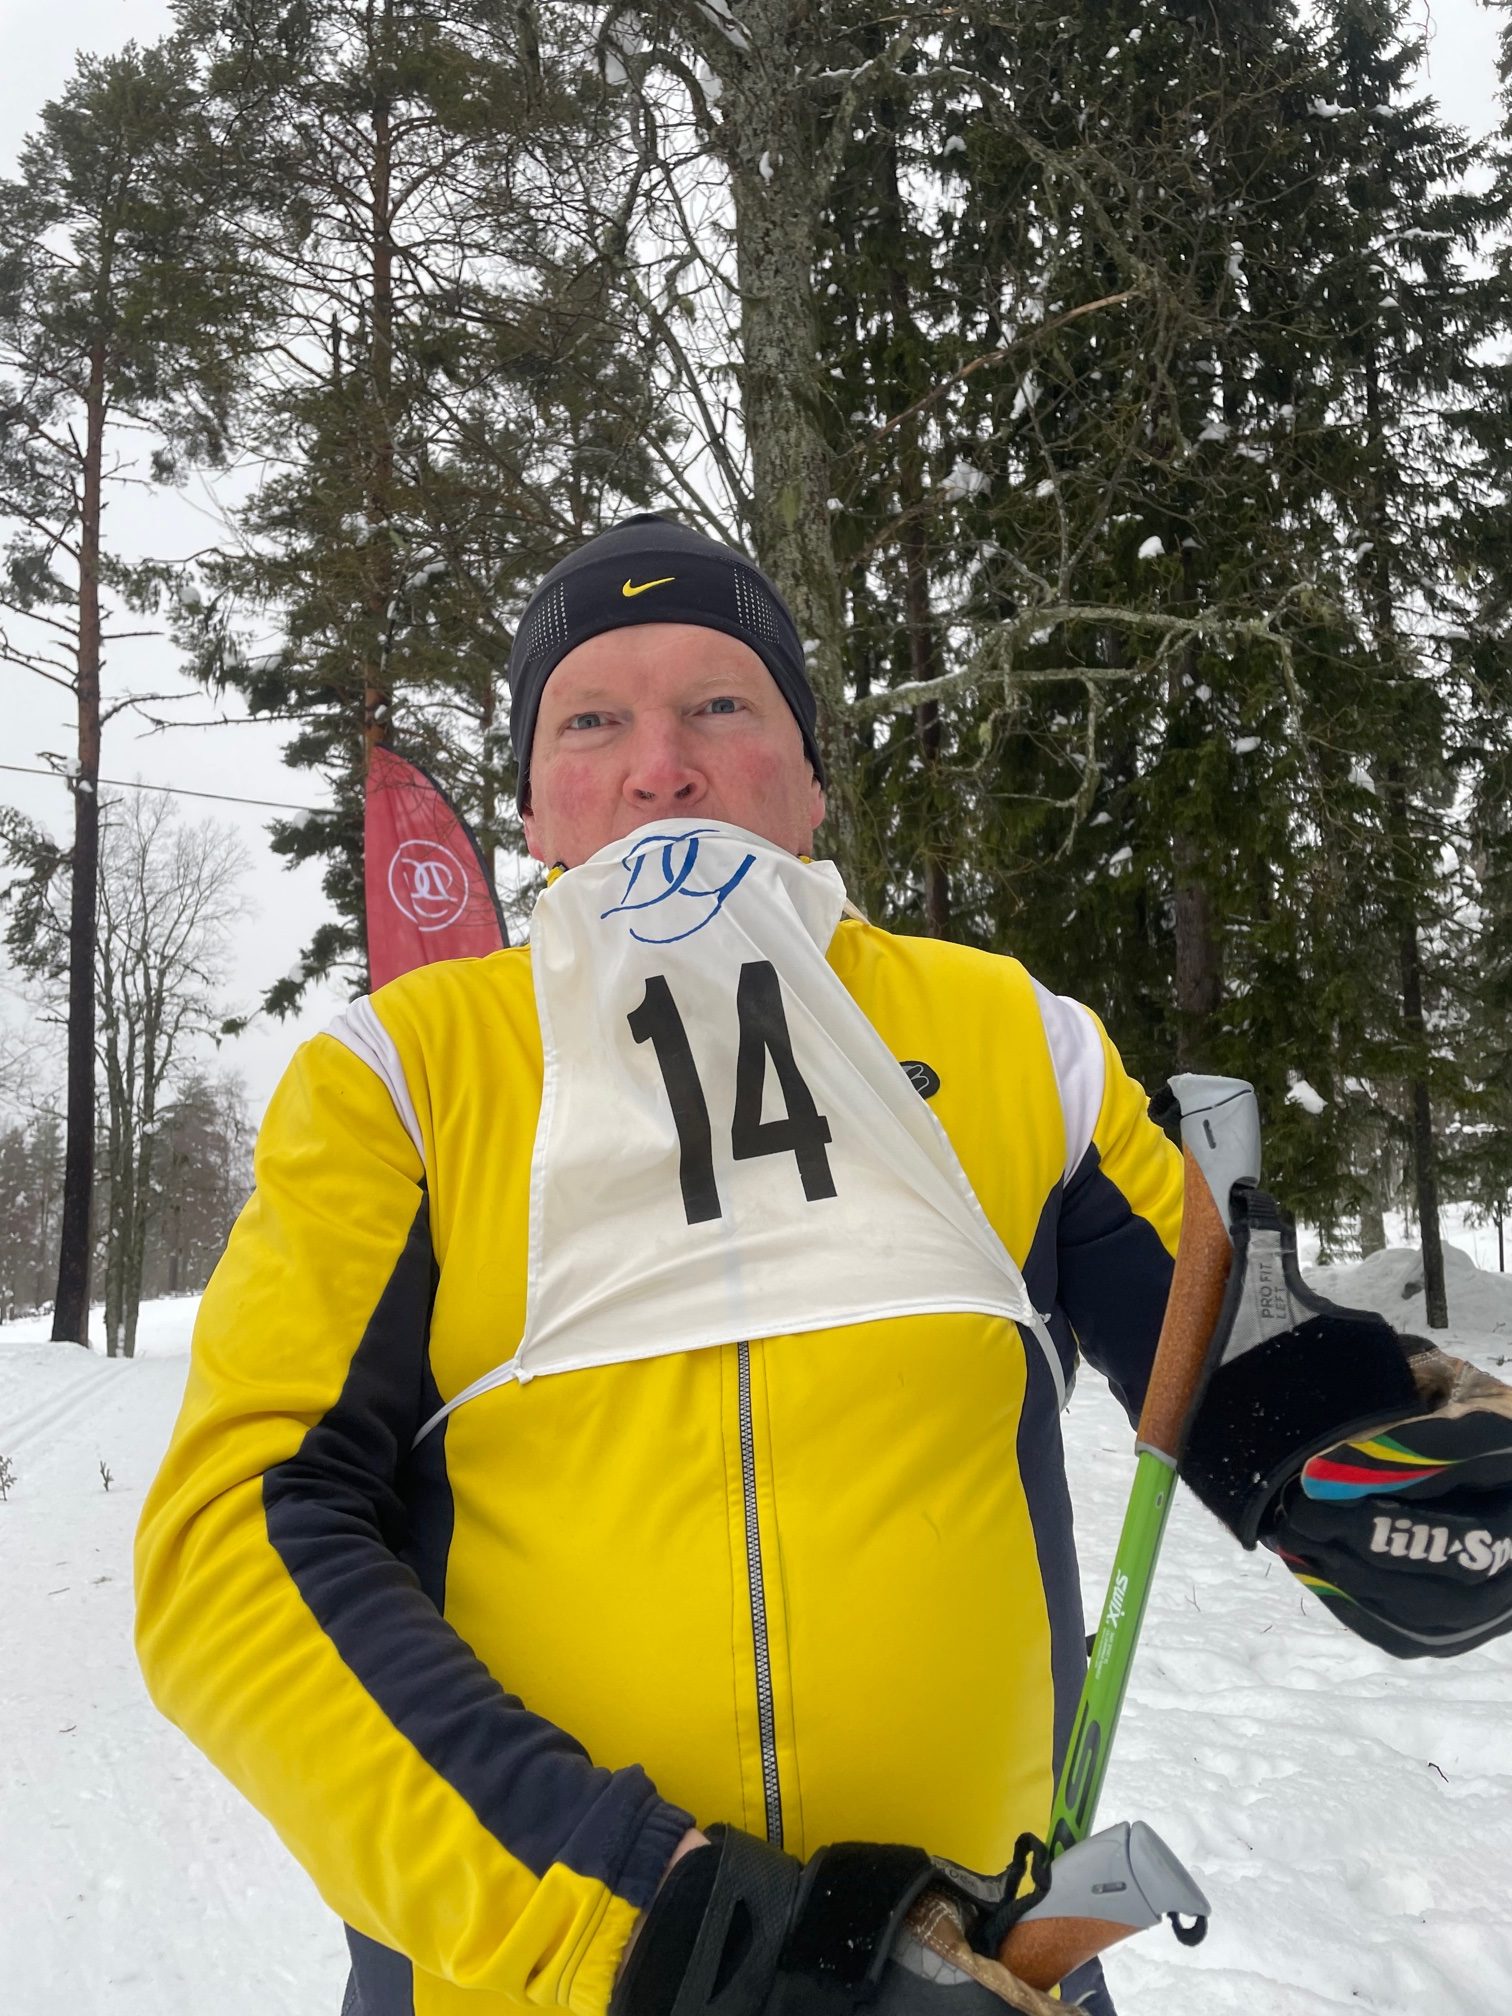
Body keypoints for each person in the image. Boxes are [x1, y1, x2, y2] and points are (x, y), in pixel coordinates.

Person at [136, 515, 1512, 2016]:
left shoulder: (1011, 1036)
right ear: (530, 812)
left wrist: (1362, 1454)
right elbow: (232, 1549)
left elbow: (1229, 1337)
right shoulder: (401, 1076)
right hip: (553, 1979)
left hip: (980, 1968)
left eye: (720, 704)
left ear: (809, 781)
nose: (662, 766)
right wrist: (660, 1926)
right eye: (591, 722)